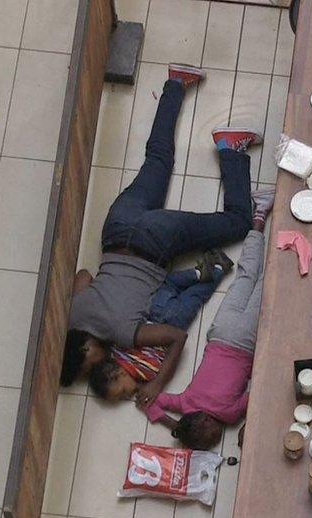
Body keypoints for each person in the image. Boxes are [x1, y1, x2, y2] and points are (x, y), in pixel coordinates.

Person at [62, 62, 274, 409]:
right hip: (118, 226)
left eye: (89, 364)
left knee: (238, 222)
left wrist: (159, 383)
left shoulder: (122, 334)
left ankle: (230, 149)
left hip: (157, 242)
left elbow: (177, 337)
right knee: (158, 158)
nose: (98, 363)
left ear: (84, 349)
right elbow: (84, 275)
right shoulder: (74, 311)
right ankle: (176, 82)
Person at [90, 224, 268, 450]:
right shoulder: (185, 403)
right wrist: (175, 424)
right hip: (219, 333)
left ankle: (276, 248)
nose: (217, 439)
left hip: (244, 342)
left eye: (213, 438)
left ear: (205, 422)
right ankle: (257, 226)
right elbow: (150, 404)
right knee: (245, 279)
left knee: (265, 286)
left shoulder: (229, 415)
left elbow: (257, 393)